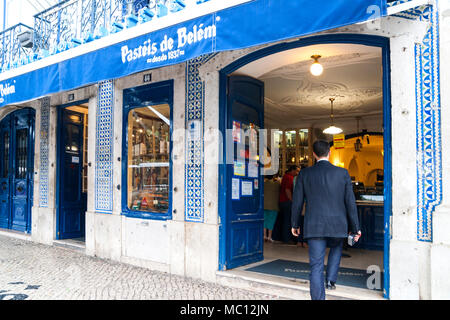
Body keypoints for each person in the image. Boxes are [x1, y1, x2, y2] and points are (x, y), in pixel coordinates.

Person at [291, 140, 361, 300]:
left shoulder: (304, 174)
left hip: (314, 225)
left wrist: (295, 224)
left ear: (314, 154)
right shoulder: (342, 173)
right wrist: (355, 227)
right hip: (338, 224)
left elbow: (297, 201)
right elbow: (350, 202)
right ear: (329, 153)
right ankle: (330, 280)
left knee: (315, 266)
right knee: (336, 249)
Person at [279, 165, 300, 244]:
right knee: (288, 221)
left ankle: (285, 238)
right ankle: (287, 239)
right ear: (292, 170)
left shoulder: (285, 176)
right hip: (286, 201)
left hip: (282, 201)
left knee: (285, 220)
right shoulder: (289, 177)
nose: (298, 173)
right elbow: (287, 190)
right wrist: (292, 201)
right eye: (297, 171)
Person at [264, 175, 280, 242]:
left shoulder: (264, 184)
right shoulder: (277, 184)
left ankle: (264, 235)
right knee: (271, 222)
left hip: (264, 205)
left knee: (264, 221)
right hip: (273, 206)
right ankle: (269, 236)